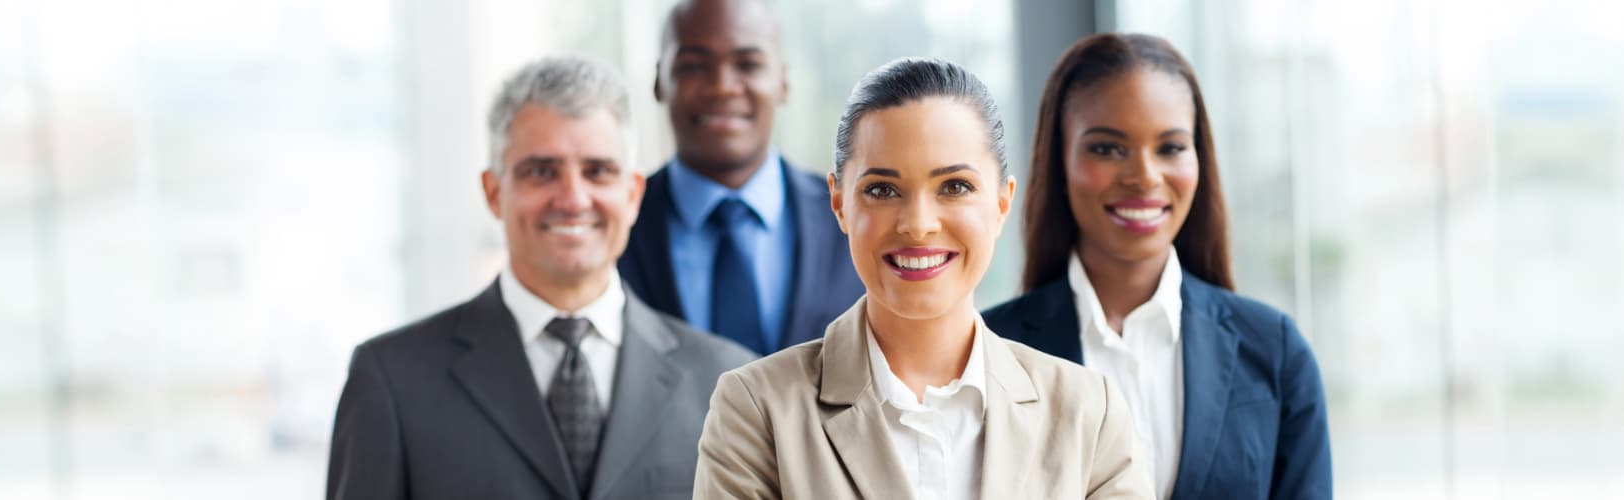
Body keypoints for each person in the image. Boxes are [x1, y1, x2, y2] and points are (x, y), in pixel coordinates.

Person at [693, 57, 1153, 500]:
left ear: (1001, 203)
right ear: (838, 204)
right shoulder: (757, 410)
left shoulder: (1089, 413)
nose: (918, 224)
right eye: (882, 190)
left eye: (954, 187)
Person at [327, 56, 756, 500]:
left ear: (631, 195)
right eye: (542, 172)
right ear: (494, 193)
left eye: (597, 171)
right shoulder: (392, 380)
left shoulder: (727, 380)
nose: (573, 199)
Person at [981, 33, 1332, 499]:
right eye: (1107, 148)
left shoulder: (1275, 352)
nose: (1144, 176)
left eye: (1170, 148)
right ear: (1059, 161)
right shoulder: (989, 354)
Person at [619, 0, 864, 355]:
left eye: (747, 64)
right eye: (693, 66)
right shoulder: (615, 226)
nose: (722, 87)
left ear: (783, 81)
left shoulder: (855, 218)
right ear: (659, 82)